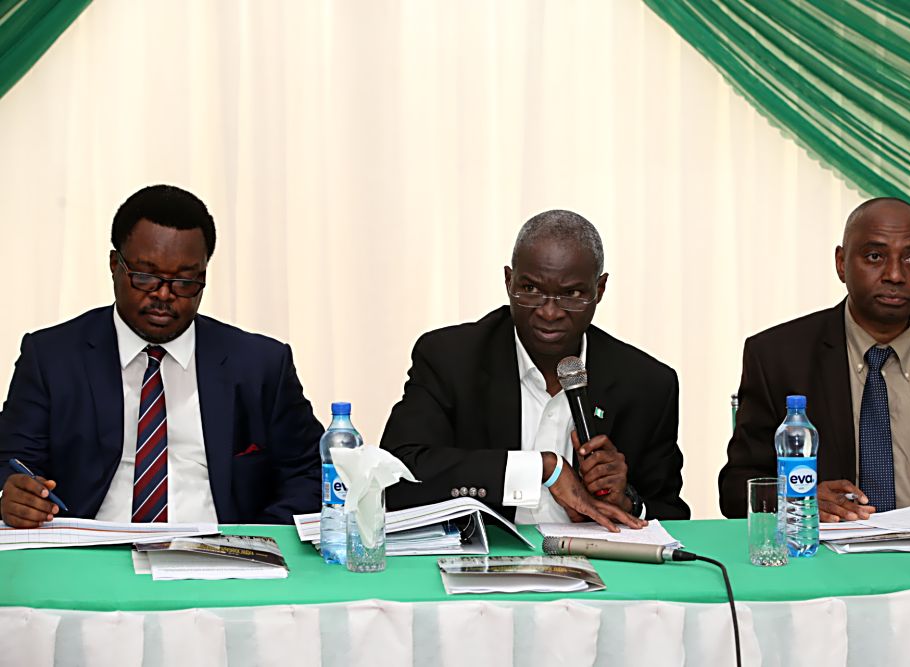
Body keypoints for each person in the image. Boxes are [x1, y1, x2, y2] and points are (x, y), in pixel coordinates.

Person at [0, 185, 323, 527]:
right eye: (145, 277)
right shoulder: (52, 357)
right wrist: (13, 496)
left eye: (185, 281)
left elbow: (309, 473)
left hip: (221, 561)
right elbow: (12, 463)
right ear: (115, 265)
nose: (164, 295)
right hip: (89, 553)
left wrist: (256, 540)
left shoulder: (260, 365)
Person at [381, 210, 689, 530]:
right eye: (530, 289)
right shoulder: (451, 358)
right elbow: (396, 475)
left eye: (571, 294)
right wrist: (543, 468)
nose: (549, 311)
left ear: (599, 289)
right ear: (508, 281)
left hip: (605, 567)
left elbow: (672, 513)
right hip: (485, 564)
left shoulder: (647, 384)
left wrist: (625, 500)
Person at [719, 197, 910, 521]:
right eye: (875, 256)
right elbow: (735, 490)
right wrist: (796, 499)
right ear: (841, 263)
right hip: (826, 561)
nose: (895, 274)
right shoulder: (777, 358)